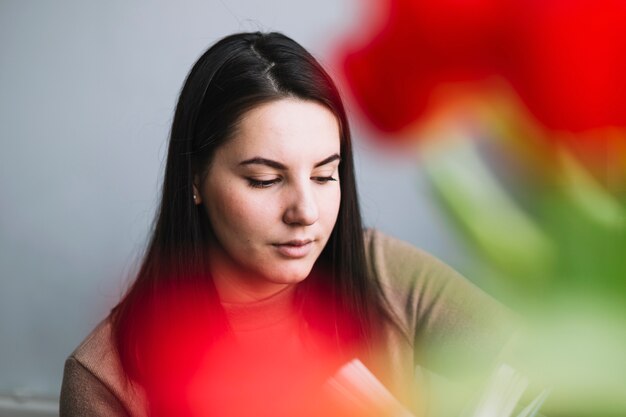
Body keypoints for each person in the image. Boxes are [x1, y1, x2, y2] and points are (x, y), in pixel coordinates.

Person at [59, 32, 515, 417]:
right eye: (265, 179)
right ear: (195, 179)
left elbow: (549, 366)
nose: (306, 211)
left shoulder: (382, 270)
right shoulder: (105, 377)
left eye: (324, 175)